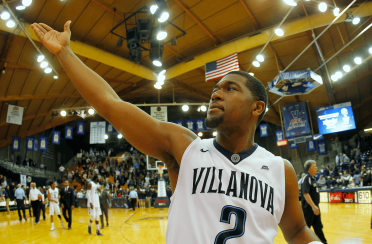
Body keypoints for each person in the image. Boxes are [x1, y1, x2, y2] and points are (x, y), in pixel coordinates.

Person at [30, 22, 322, 243]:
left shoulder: (279, 170)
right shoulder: (185, 146)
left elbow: (296, 231)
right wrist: (66, 53)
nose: (216, 94)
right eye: (215, 88)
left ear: (257, 108)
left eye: (230, 88)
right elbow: (111, 104)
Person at [301, 160, 328, 244]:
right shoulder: (306, 178)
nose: (316, 167)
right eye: (314, 166)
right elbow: (305, 194)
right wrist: (313, 206)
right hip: (309, 209)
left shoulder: (313, 178)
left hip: (315, 207)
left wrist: (316, 207)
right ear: (310, 168)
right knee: (306, 229)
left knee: (318, 227)